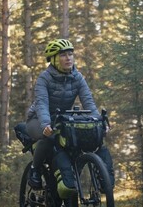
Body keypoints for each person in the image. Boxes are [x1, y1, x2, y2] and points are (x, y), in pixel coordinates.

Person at [25, 39, 115, 197]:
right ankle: (35, 169)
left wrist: (99, 122)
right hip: (37, 119)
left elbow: (88, 102)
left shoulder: (77, 77)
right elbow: (41, 104)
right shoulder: (44, 78)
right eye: (63, 55)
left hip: (62, 117)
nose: (68, 58)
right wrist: (46, 124)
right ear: (53, 59)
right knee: (49, 137)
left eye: (70, 54)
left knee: (81, 139)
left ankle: (70, 178)